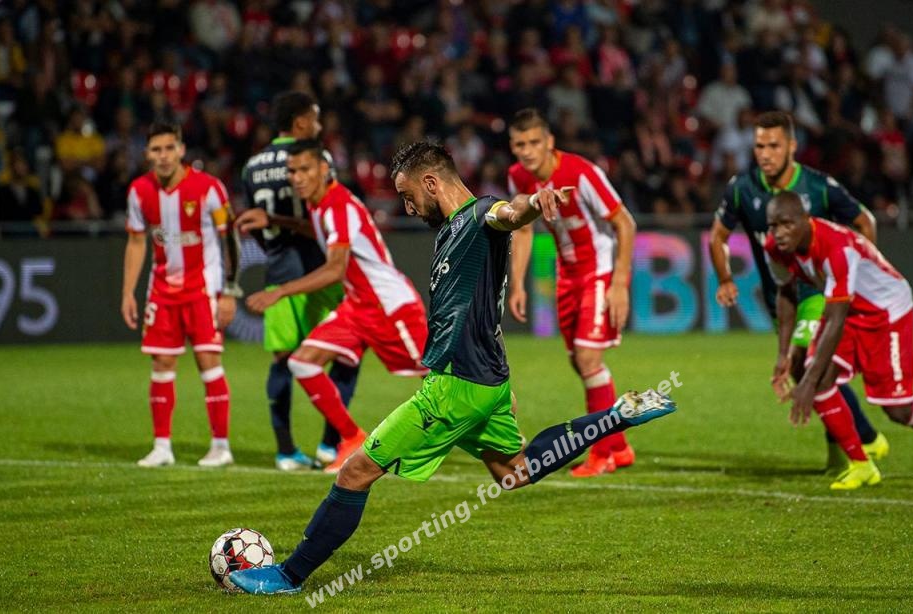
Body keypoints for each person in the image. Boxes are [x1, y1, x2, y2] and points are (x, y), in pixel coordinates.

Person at [227, 141, 677, 595]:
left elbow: (510, 213)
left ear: (430, 183)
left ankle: (288, 576)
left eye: (408, 196)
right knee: (515, 471)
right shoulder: (450, 231)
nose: (408, 207)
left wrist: (533, 204)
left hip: (454, 387)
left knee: (355, 472)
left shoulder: (479, 215)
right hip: (486, 381)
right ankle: (616, 416)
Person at [709, 110, 888, 475]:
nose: (765, 154)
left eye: (774, 146)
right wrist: (725, 278)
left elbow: (864, 222)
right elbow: (718, 236)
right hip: (783, 298)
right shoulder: (742, 188)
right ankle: (849, 446)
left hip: (818, 294)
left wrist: (857, 277)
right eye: (759, 146)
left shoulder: (818, 187)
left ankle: (864, 442)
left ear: (791, 146)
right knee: (803, 367)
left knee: (809, 362)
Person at [763, 192, 913, 489]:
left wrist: (808, 383)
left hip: (886, 312)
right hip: (847, 309)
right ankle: (861, 464)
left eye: (786, 224)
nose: (779, 233)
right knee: (819, 377)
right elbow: (786, 293)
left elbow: (836, 320)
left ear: (805, 219)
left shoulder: (837, 247)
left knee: (897, 410)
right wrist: (783, 355)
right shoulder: (774, 248)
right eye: (773, 225)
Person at [236, 140, 428, 474]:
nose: (297, 177)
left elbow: (335, 269)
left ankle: (499, 424)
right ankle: (352, 439)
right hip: (357, 306)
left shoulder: (339, 205)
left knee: (445, 379)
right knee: (303, 362)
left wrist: (281, 292)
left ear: (324, 169)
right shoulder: (318, 204)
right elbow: (319, 231)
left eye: (305, 169)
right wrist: (273, 218)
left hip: (389, 306)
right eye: (292, 171)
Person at [505, 108, 638, 477]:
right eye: (520, 144)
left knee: (589, 359)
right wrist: (518, 283)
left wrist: (619, 284)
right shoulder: (518, 176)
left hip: (599, 270)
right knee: (579, 363)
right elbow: (524, 228)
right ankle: (619, 447)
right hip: (566, 275)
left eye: (534, 142)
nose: (527, 151)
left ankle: (601, 454)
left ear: (549, 142)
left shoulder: (580, 173)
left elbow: (625, 222)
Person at [237, 91, 360, 472]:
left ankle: (286, 451)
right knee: (347, 355)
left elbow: (255, 223)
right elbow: (326, 215)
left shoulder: (251, 167)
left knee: (283, 362)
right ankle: (330, 443)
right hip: (320, 272)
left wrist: (275, 247)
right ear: (302, 122)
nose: (319, 127)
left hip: (277, 273)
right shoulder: (317, 160)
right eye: (316, 119)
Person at [121, 121, 241, 468]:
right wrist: (128, 292)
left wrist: (230, 290)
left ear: (181, 150)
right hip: (162, 290)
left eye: (169, 148)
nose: (163, 156)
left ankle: (220, 446)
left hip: (203, 288)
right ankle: (162, 446)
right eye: (156, 150)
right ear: (147, 154)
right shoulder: (139, 191)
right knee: (161, 363)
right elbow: (136, 241)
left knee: (208, 361)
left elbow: (231, 237)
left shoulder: (209, 188)